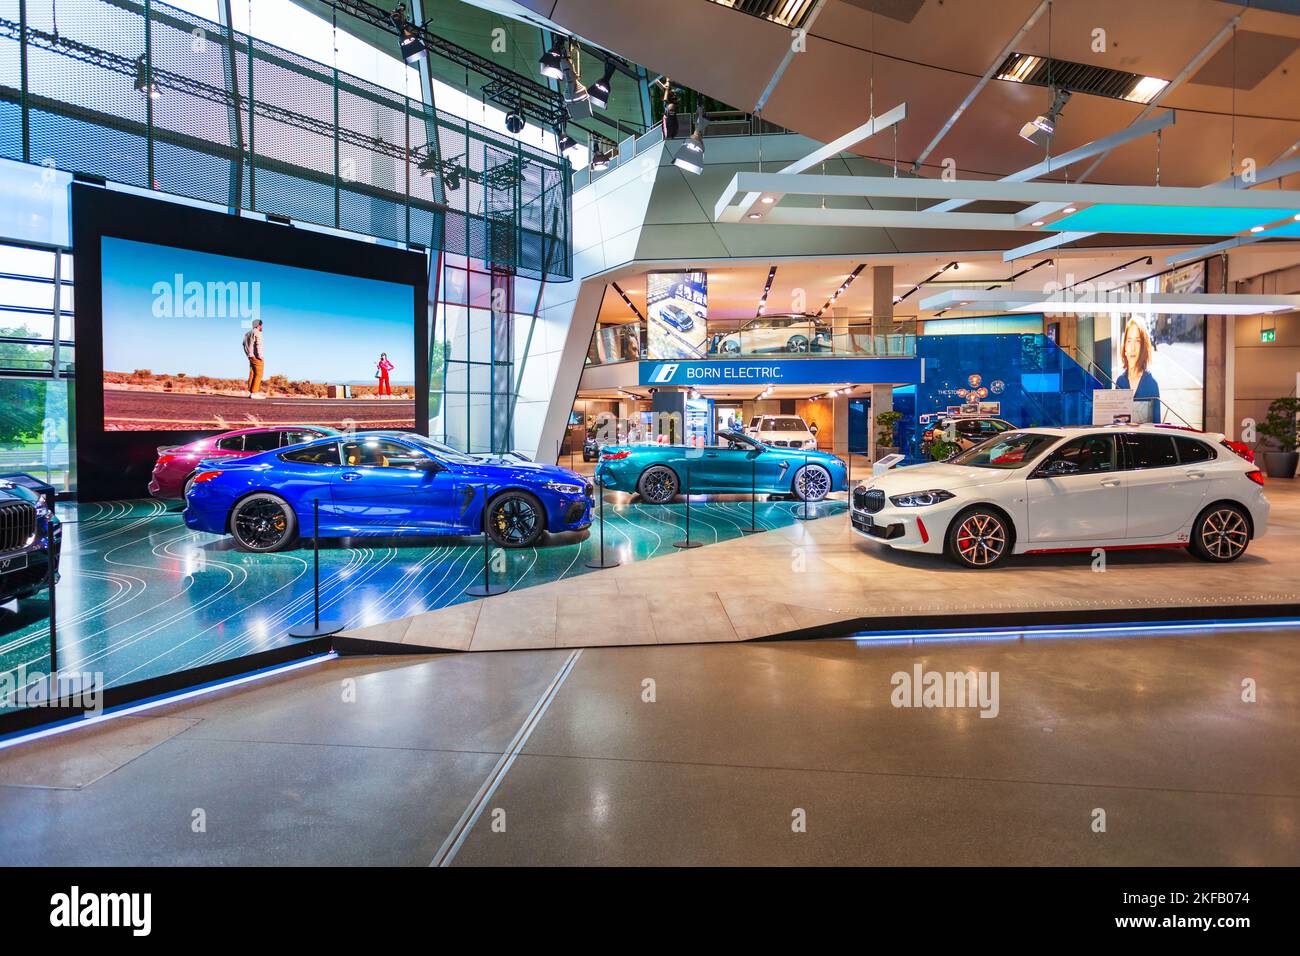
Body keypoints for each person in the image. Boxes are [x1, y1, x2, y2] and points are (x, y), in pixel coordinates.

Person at [1115, 318, 1161, 423]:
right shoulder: (1120, 382)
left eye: (1138, 341)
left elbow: (1157, 430)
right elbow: (1116, 424)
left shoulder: (1152, 384)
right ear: (1125, 346)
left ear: (1143, 346)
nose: (1133, 348)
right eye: (1129, 341)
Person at [242, 319, 264, 400]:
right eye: (261, 325)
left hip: (250, 356)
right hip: (256, 357)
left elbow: (244, 344)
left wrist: (248, 354)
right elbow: (258, 345)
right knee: (258, 374)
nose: (262, 327)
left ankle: (251, 392)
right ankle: (254, 393)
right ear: (259, 325)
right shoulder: (257, 333)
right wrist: (260, 356)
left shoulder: (247, 334)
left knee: (252, 373)